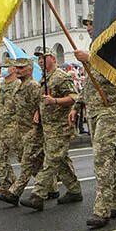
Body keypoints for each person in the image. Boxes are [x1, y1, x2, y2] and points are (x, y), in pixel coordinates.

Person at [75, 9, 116, 228]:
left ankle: (102, 209)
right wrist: (79, 104)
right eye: (86, 24)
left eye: (91, 23)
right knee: (112, 156)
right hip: (96, 109)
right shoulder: (94, 47)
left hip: (112, 107)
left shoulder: (113, 45)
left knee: (101, 156)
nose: (88, 27)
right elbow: (90, 82)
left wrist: (90, 60)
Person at [20, 52, 82, 210]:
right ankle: (74, 190)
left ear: (53, 59)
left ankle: (38, 195)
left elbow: (74, 97)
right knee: (61, 161)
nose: (40, 61)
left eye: (43, 58)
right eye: (39, 59)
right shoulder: (45, 78)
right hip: (48, 127)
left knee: (51, 159)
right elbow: (43, 100)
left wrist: (55, 101)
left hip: (60, 126)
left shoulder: (61, 76)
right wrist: (38, 111)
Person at [0, 59, 44, 205]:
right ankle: (56, 187)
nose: (18, 70)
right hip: (21, 129)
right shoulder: (20, 86)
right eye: (17, 68)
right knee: (38, 162)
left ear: (30, 70)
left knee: (27, 161)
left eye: (22, 68)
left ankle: (14, 193)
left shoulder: (33, 86)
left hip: (33, 129)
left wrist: (39, 114)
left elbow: (42, 104)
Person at [0, 62, 21, 195]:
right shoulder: (0, 85)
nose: (2, 69)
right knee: (0, 156)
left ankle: (46, 183)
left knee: (24, 158)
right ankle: (5, 185)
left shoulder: (19, 85)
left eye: (5, 66)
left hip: (15, 127)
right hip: (0, 126)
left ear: (14, 69)